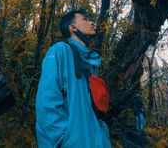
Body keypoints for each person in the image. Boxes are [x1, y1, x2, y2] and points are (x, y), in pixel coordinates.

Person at [36, 8, 112, 148]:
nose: (91, 22)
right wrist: (63, 139)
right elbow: (46, 102)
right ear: (72, 27)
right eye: (85, 19)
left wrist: (103, 136)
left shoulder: (91, 63)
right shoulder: (60, 51)